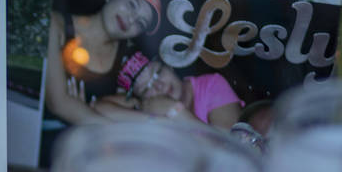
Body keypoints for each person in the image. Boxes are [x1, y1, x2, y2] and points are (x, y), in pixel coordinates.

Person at [43, 0, 162, 125]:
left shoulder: (124, 63)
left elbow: (127, 108)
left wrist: (82, 110)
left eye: (140, 23)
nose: (131, 19)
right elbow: (57, 103)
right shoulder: (56, 25)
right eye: (131, 4)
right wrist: (84, 113)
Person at [92, 51, 246, 130]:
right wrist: (152, 117)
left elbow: (229, 150)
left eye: (158, 73)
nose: (159, 86)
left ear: (169, 66)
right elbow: (98, 107)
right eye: (146, 88)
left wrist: (176, 112)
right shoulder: (147, 106)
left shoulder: (211, 84)